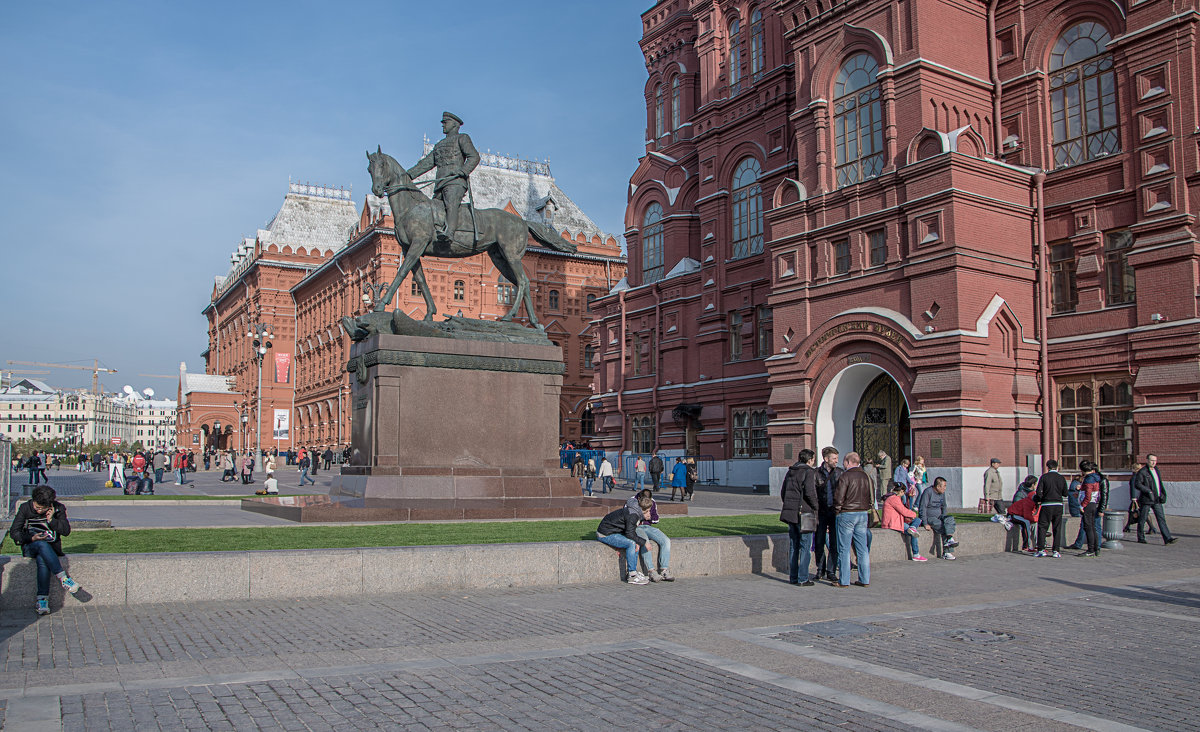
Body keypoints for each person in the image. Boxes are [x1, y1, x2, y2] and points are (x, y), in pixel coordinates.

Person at [407, 111, 481, 242]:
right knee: (432, 209)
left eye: (445, 123)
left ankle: (450, 233)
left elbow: (474, 156)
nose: (443, 126)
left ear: (455, 124)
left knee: (451, 203)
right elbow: (425, 164)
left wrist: (463, 171)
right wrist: (407, 176)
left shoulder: (462, 138)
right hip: (440, 183)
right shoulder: (439, 145)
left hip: (455, 182)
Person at [8, 485, 82, 615]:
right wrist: (31, 538)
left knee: (43, 558)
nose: (39, 511)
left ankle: (42, 601)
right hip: (30, 546)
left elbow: (66, 531)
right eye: (37, 507)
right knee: (41, 545)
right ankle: (64, 578)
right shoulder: (25, 508)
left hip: (51, 550)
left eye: (43, 509)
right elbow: (14, 532)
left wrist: (52, 520)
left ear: (50, 505)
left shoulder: (58, 508)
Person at [779, 448, 820, 584]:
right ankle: (803, 578)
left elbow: (783, 492)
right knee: (805, 546)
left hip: (791, 513)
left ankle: (793, 576)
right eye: (813, 459)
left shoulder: (791, 471)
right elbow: (810, 493)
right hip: (805, 513)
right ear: (810, 460)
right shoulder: (808, 472)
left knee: (793, 545)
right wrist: (816, 506)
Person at [595, 494, 655, 584]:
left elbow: (629, 530)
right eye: (647, 511)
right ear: (642, 510)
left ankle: (633, 572)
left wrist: (638, 541)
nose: (649, 514)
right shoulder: (633, 515)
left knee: (635, 543)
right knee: (631, 543)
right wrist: (644, 542)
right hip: (605, 534)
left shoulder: (634, 511)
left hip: (613, 531)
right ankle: (632, 575)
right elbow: (630, 534)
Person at [833, 452, 873, 587]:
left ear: (848, 462)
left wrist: (837, 510)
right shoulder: (866, 476)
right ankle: (864, 579)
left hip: (847, 513)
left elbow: (839, 497)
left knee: (844, 549)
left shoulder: (845, 476)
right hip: (862, 513)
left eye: (844, 461)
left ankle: (844, 580)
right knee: (862, 548)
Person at [625, 489, 674, 581]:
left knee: (666, 540)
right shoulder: (632, 501)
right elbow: (627, 517)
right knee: (645, 542)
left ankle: (664, 570)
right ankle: (651, 571)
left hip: (648, 526)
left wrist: (650, 518)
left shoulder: (652, 502)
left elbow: (656, 518)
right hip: (636, 527)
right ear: (639, 499)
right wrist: (643, 516)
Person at [1131, 454, 1177, 545]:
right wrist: (1148, 491)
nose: (1153, 462)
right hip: (1147, 499)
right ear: (1147, 461)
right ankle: (1141, 537)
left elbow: (1159, 484)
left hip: (1157, 499)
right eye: (1152, 460)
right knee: (1143, 518)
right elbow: (1137, 484)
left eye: (1155, 461)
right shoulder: (1143, 472)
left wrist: (1163, 494)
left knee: (1161, 519)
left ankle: (1167, 538)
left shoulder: (1156, 470)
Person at [814, 447, 842, 583]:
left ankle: (831, 570)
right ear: (826, 459)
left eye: (837, 458)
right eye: (834, 458)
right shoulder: (816, 474)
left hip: (835, 512)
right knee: (819, 541)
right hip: (821, 512)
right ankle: (820, 568)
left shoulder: (840, 473)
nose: (836, 461)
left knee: (834, 543)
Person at [918, 476, 959, 560]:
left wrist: (945, 518)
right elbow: (923, 508)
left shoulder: (942, 493)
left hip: (939, 516)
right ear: (938, 486)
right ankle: (947, 552)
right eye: (944, 486)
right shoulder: (928, 492)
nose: (945, 488)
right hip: (930, 518)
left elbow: (944, 506)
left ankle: (949, 538)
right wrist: (925, 523)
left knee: (950, 519)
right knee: (941, 526)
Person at [883, 484, 926, 561]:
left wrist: (910, 497)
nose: (904, 495)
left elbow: (905, 509)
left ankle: (913, 527)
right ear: (901, 491)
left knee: (918, 520)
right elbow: (904, 511)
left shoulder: (893, 498)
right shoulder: (894, 499)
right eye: (904, 493)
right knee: (914, 533)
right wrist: (913, 514)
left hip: (896, 521)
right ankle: (916, 554)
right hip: (892, 523)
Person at [1034, 459, 1068, 557]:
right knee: (1057, 527)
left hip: (1046, 504)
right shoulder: (1061, 478)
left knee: (1042, 527)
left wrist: (1040, 499)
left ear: (1047, 467)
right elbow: (1065, 493)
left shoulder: (1044, 477)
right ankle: (1056, 551)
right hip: (1058, 505)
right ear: (1057, 467)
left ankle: (1041, 549)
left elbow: (1039, 492)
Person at [1075, 460, 1104, 556]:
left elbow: (1088, 495)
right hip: (1093, 504)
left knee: (1088, 527)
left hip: (1088, 504)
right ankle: (1096, 548)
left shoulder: (1089, 479)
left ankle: (1091, 549)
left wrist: (1082, 505)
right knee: (1092, 527)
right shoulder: (1096, 478)